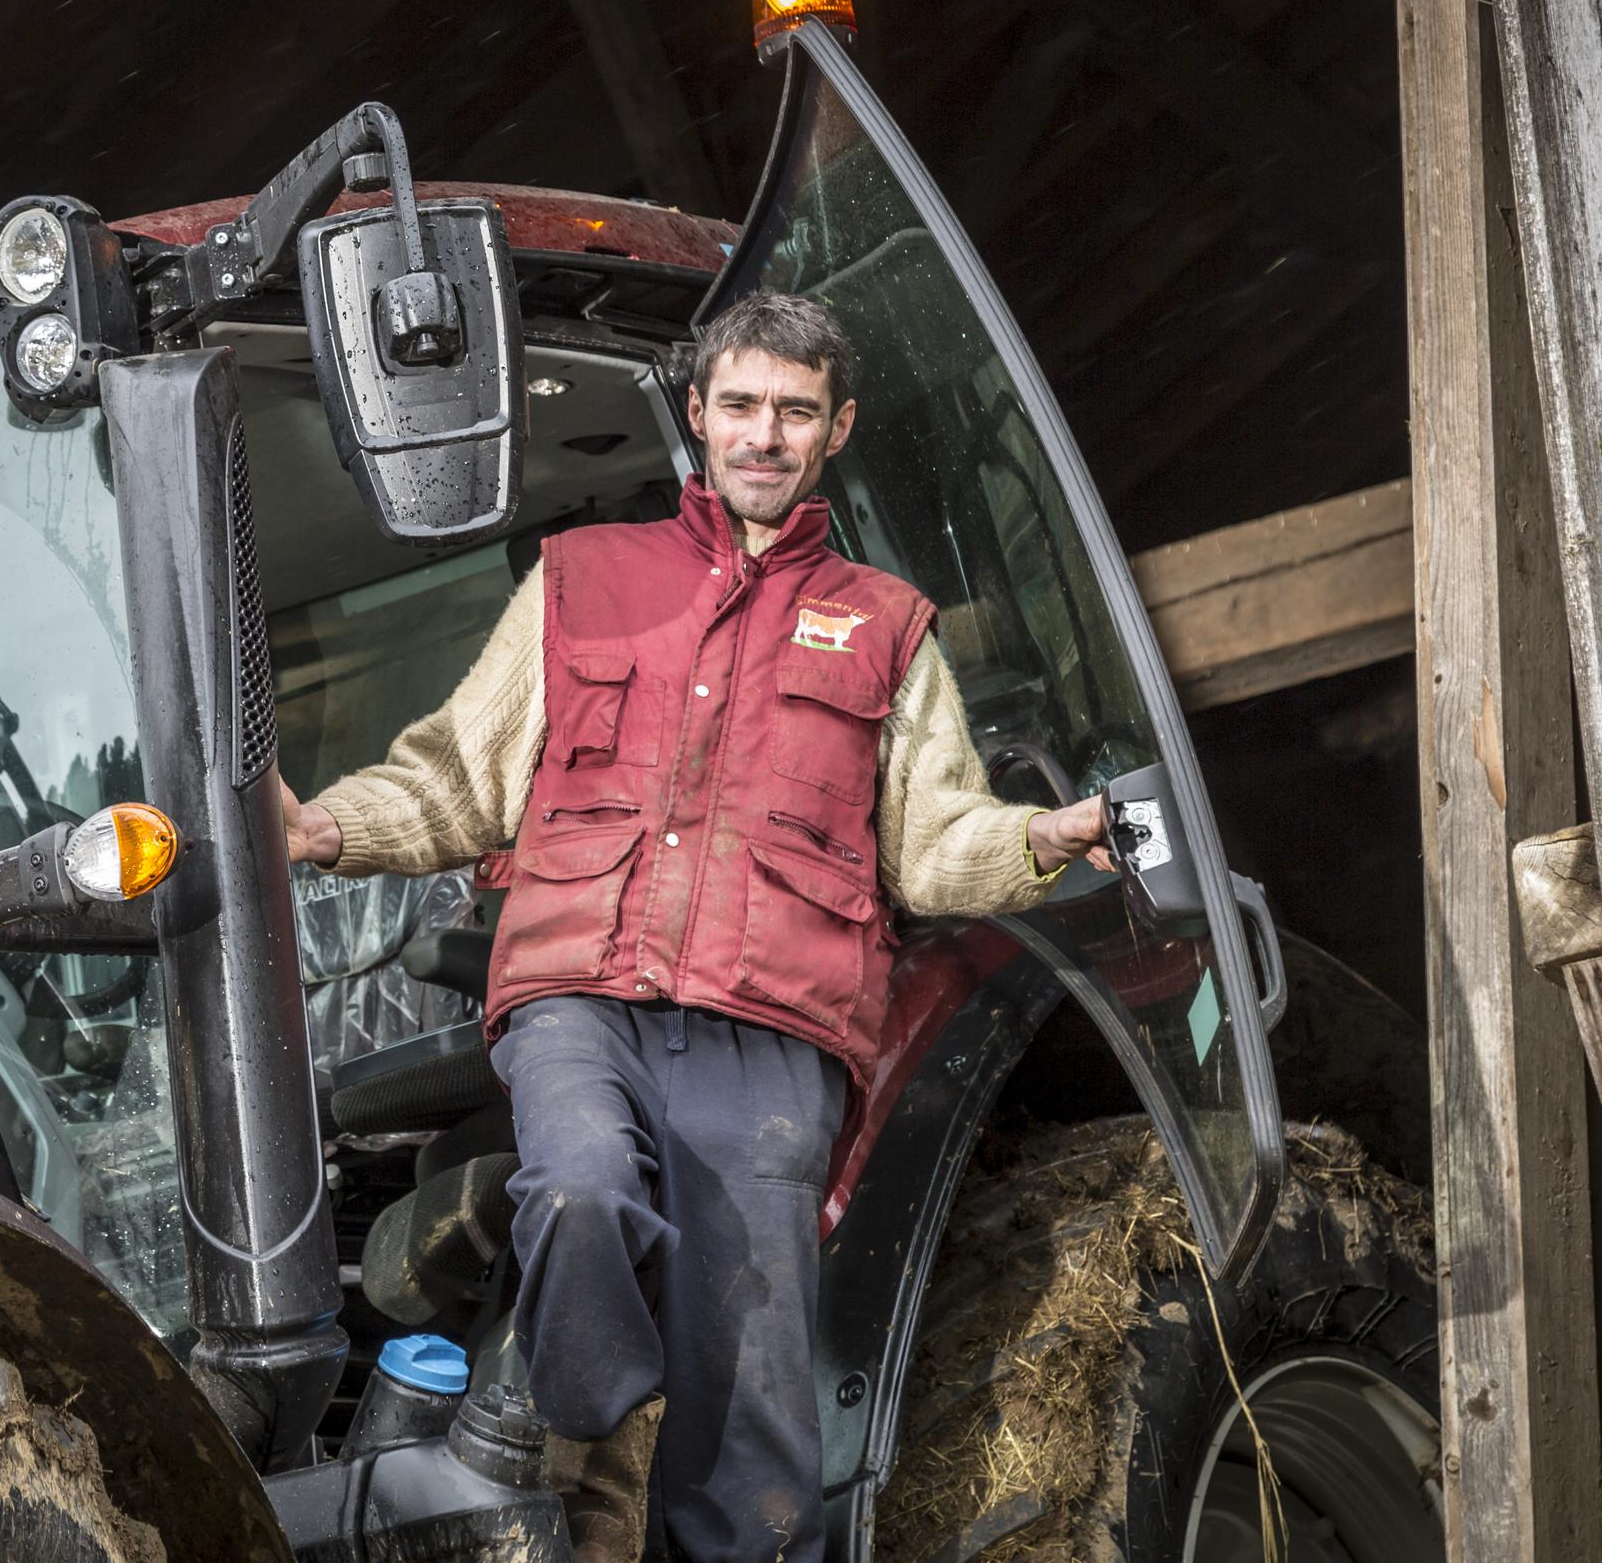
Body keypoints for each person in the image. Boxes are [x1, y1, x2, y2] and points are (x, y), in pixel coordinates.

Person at [280, 291, 1111, 1563]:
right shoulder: (584, 583)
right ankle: (594, 1464)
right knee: (580, 1187)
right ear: (699, 415)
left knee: (753, 1381)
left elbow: (936, 839)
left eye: (792, 411)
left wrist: (1038, 842)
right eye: (740, 406)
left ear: (837, 427)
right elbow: (458, 776)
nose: (762, 435)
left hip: (771, 1035)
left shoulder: (887, 629)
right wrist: (322, 828)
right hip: (580, 994)